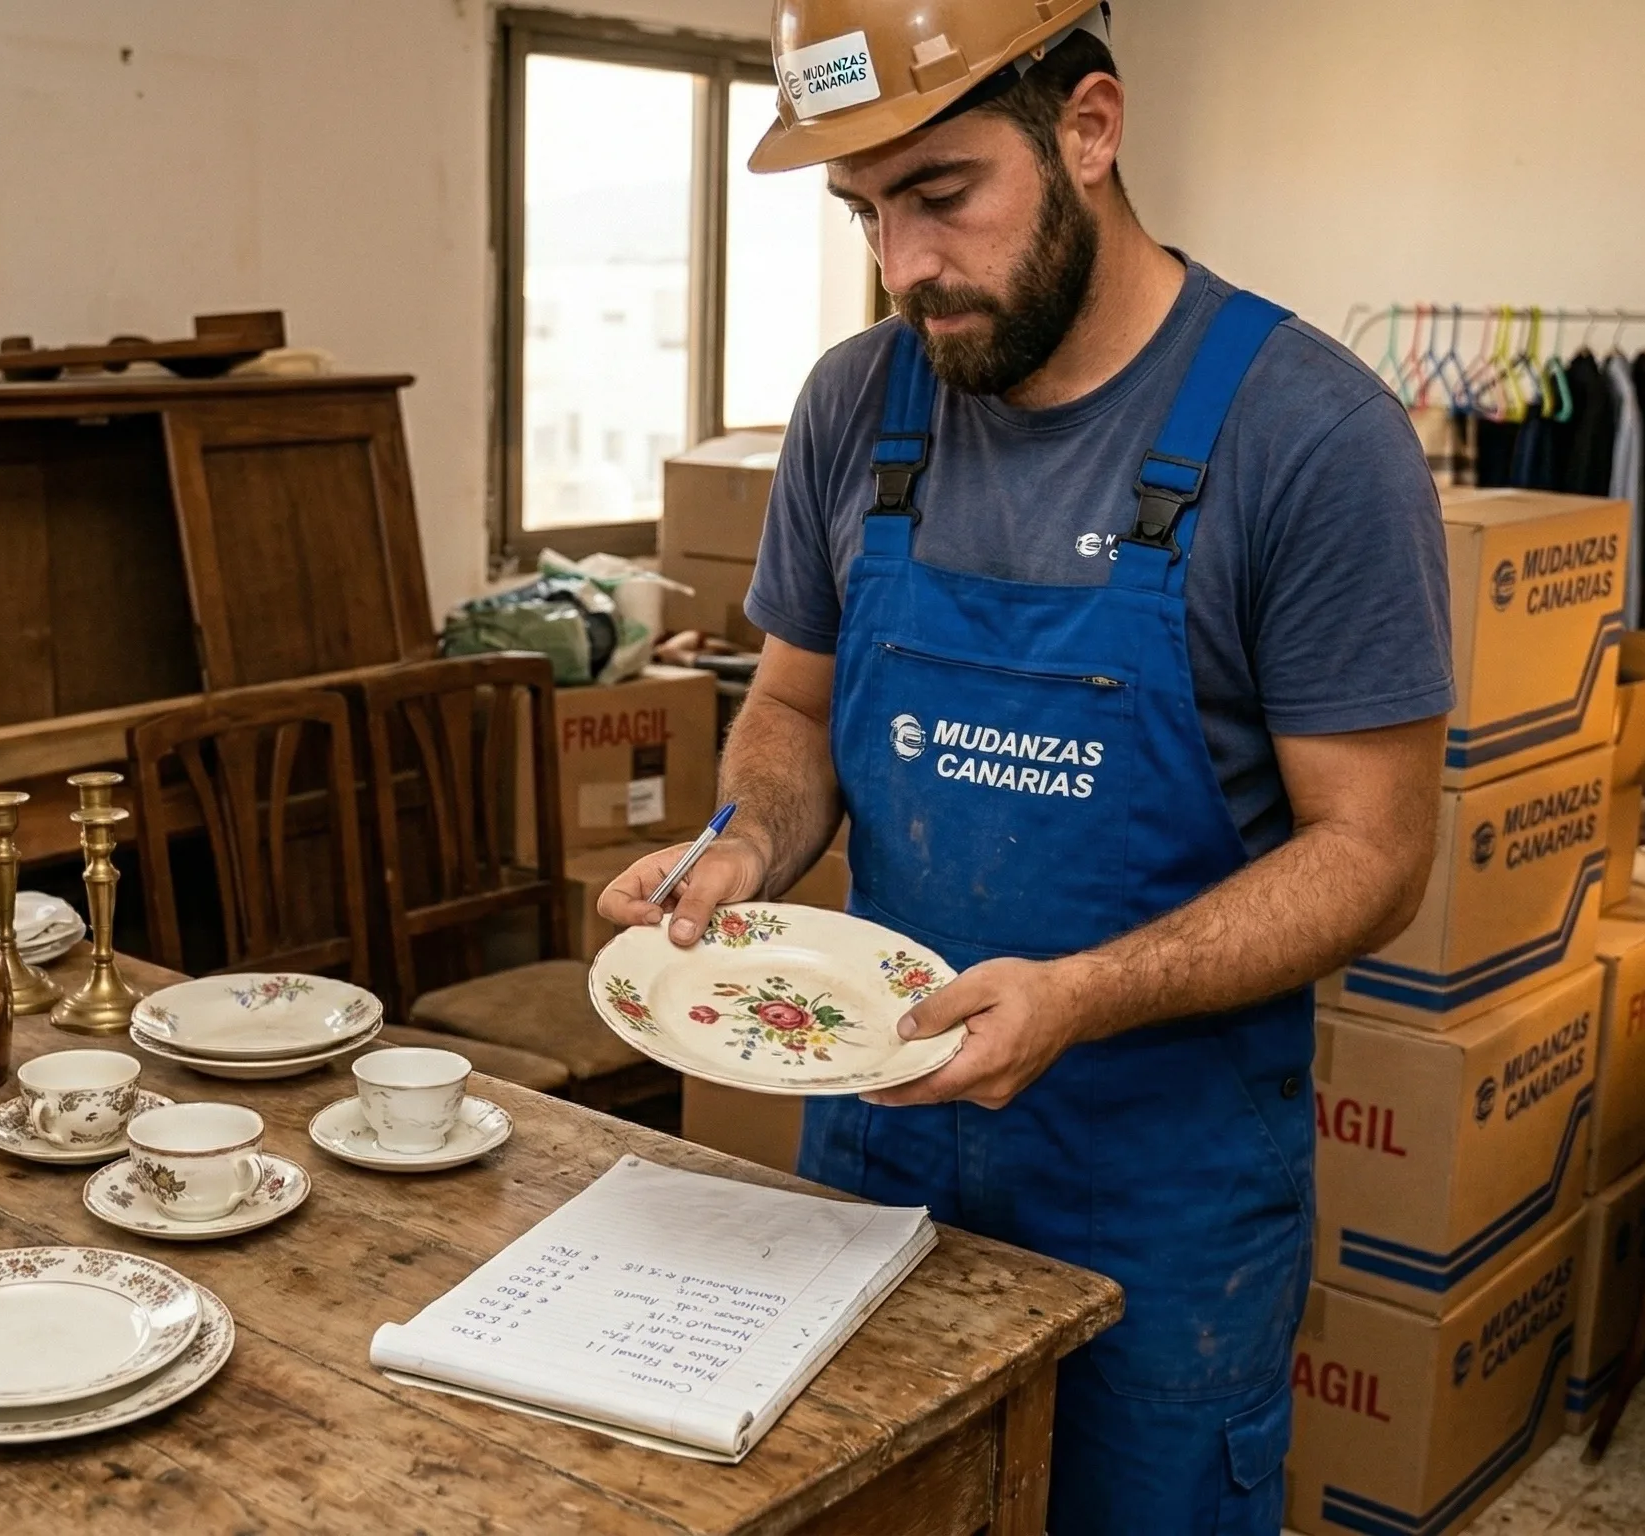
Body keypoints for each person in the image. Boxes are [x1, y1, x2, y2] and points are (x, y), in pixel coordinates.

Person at [598, 2, 1452, 1529]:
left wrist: (1080, 995)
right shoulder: (859, 404)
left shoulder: (1308, 435)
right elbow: (791, 713)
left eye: (942, 194)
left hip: (1159, 1202)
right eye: (865, 213)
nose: (904, 265)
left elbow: (1374, 851)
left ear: (1091, 130)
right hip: (874, 1138)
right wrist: (743, 847)